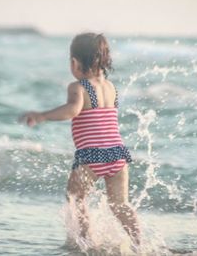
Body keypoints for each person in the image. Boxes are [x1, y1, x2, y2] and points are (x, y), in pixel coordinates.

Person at [20, 32, 141, 248]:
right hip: (117, 154)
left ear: (75, 62)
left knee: (75, 198)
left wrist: (42, 116)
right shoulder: (111, 87)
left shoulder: (78, 87)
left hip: (91, 156)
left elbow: (72, 110)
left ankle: (87, 242)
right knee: (120, 204)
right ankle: (139, 244)